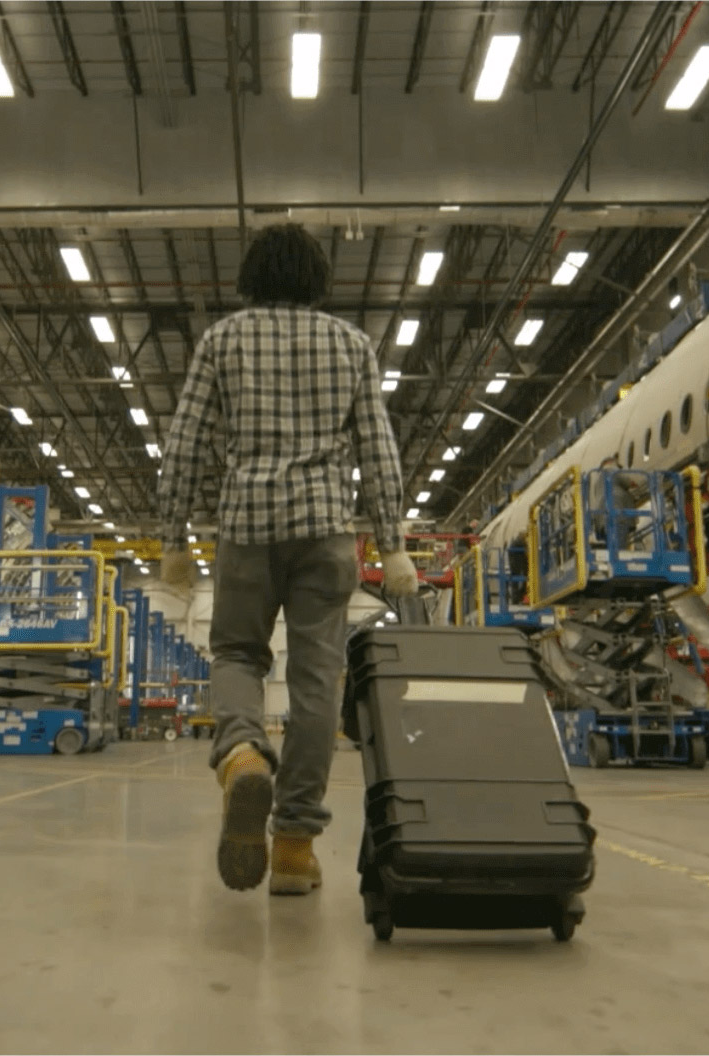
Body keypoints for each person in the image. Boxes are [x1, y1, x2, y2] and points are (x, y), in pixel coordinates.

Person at [156, 222, 413, 896]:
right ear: (317, 282)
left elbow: (183, 443)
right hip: (327, 529)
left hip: (245, 526)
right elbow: (378, 450)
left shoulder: (223, 340)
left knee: (238, 654)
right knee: (317, 682)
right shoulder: (352, 345)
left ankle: (241, 755)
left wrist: (173, 538)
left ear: (251, 278)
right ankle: (294, 848)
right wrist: (393, 542)